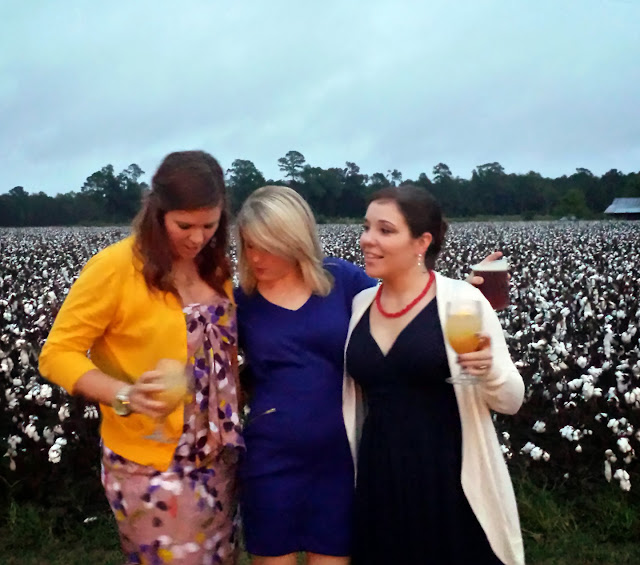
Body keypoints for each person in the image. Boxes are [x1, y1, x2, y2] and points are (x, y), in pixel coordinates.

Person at [234, 185, 502, 565]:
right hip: (270, 458)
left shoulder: (341, 281)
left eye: (267, 246)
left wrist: (458, 293)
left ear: (294, 240)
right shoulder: (241, 303)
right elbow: (218, 369)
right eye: (248, 245)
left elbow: (402, 302)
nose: (256, 257)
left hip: (340, 459)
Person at [39, 150, 244, 565]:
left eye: (209, 225)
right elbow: (57, 354)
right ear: (157, 213)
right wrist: (124, 395)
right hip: (151, 464)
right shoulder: (115, 268)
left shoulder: (215, 268)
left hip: (217, 458)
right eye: (184, 226)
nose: (197, 238)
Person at [343, 184, 525, 565]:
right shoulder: (360, 304)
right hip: (378, 475)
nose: (367, 239)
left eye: (385, 230)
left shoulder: (462, 301)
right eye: (366, 227)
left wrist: (489, 370)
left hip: (447, 477)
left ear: (421, 242)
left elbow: (511, 400)